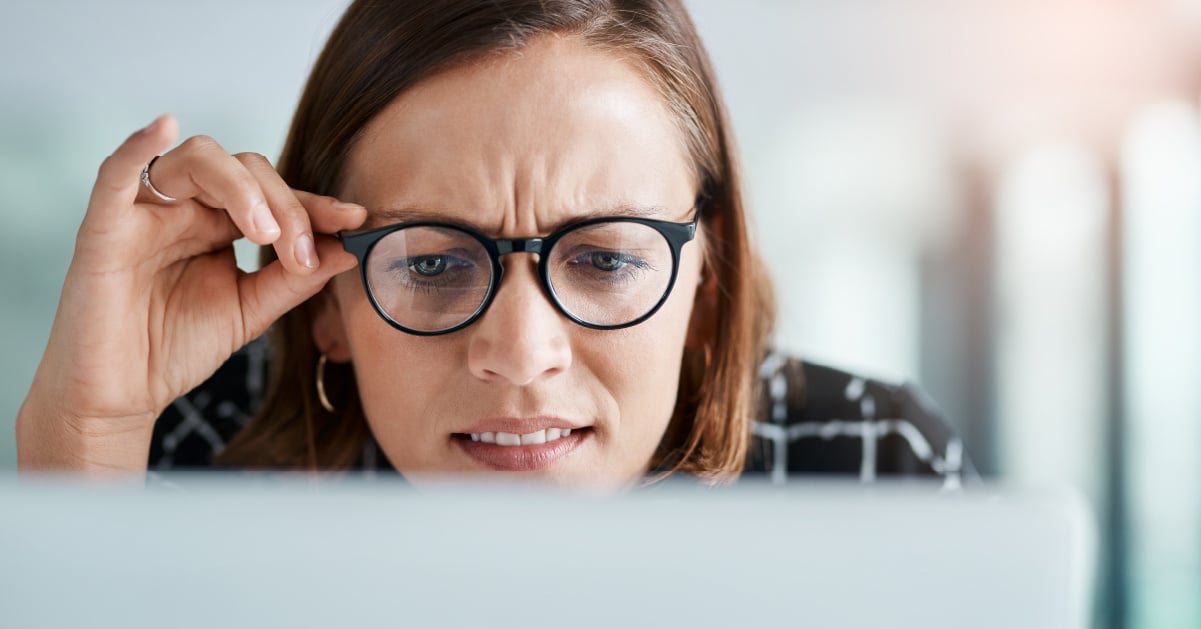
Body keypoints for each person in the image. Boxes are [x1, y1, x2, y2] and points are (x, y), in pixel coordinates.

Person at [16, 0, 969, 488]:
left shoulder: (868, 466)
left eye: (605, 259)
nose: (518, 352)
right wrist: (91, 429)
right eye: (432, 262)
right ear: (326, 301)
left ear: (704, 285)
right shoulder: (195, 455)